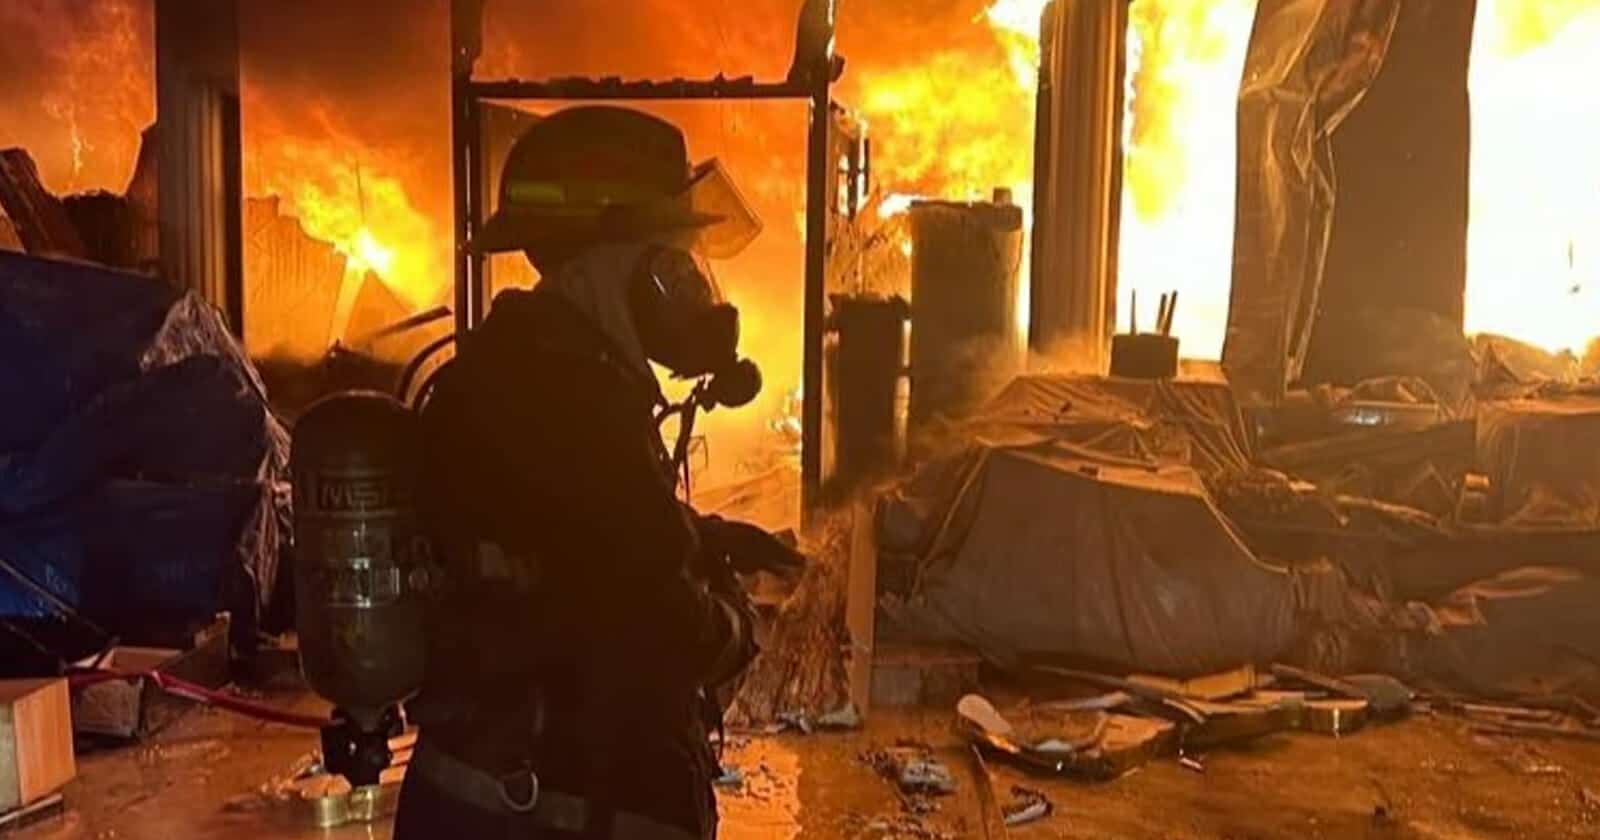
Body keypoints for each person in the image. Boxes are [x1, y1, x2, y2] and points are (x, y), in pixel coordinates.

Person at [395, 106, 797, 839]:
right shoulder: (576, 401)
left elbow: (584, 537)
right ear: (608, 262)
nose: (691, 288)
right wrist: (743, 625)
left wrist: (707, 536)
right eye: (672, 262)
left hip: (493, 799)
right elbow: (658, 621)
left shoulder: (525, 370)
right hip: (560, 810)